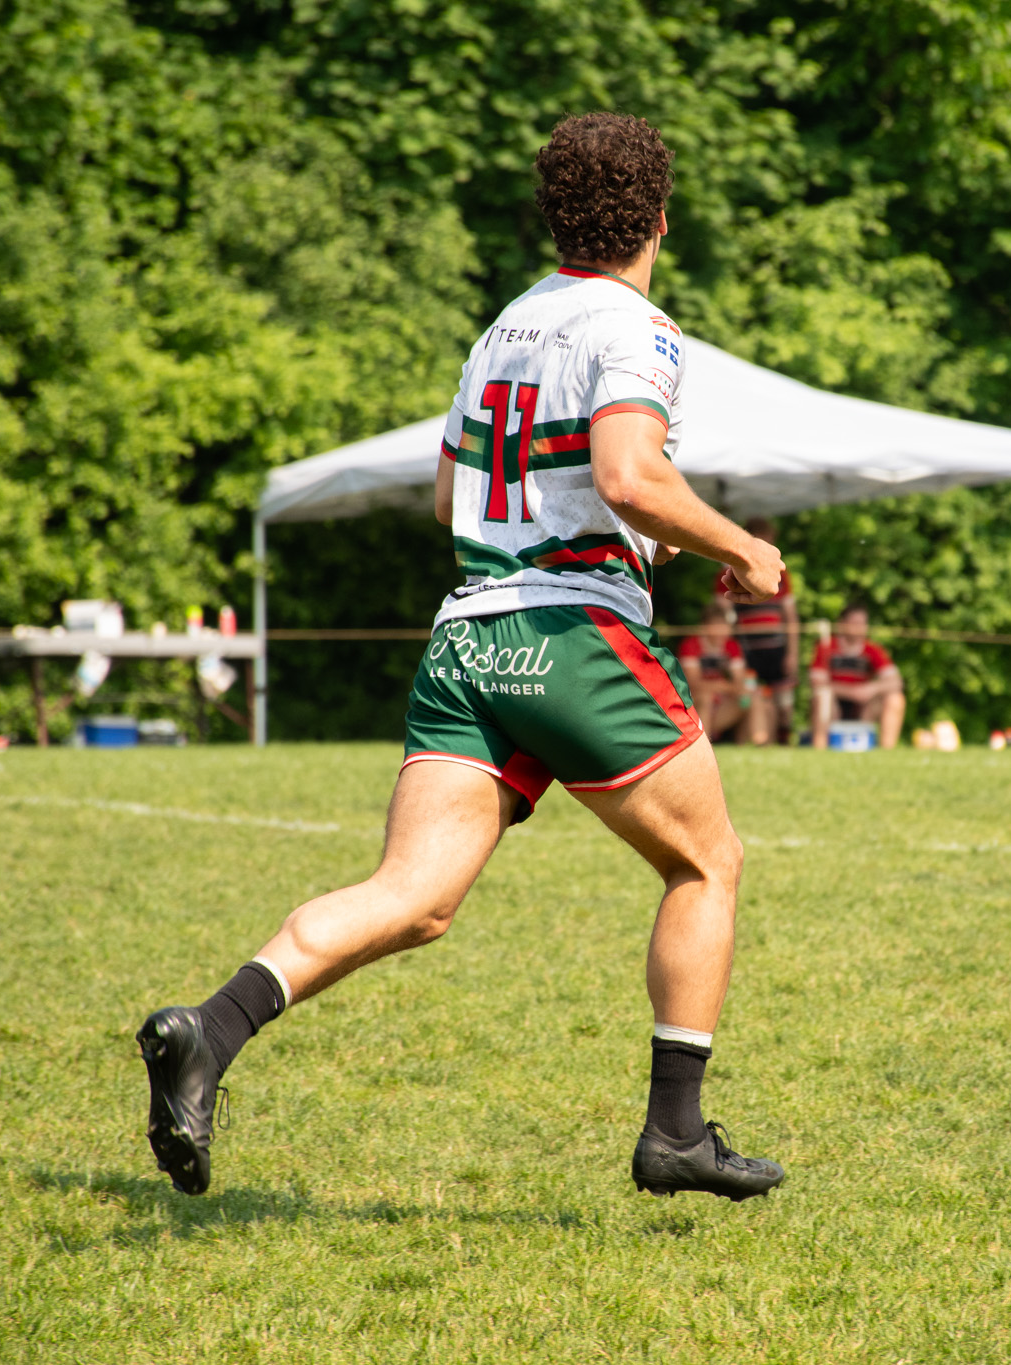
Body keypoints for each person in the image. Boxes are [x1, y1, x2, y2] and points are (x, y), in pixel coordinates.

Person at [134, 113, 787, 1202]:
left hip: (470, 636)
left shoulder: (505, 325)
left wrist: (641, 528)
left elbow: (454, 495)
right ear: (659, 223)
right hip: (570, 638)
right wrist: (738, 545)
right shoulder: (638, 327)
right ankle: (675, 1131)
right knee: (704, 863)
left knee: (415, 897)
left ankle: (211, 1026)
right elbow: (626, 475)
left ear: (554, 218)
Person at [714, 516, 797, 744]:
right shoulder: (728, 573)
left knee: (783, 701)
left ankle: (783, 739)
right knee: (749, 696)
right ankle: (746, 739)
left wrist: (792, 652)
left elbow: (790, 617)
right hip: (746, 651)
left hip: (776, 648)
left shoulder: (782, 576)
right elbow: (721, 615)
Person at [809, 603, 906, 750]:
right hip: (833, 707)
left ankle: (887, 750)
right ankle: (820, 749)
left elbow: (896, 682)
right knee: (823, 696)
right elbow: (817, 683)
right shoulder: (826, 648)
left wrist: (871, 688)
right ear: (842, 624)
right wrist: (852, 693)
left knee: (895, 698)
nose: (859, 627)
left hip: (864, 709)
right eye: (855, 623)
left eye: (863, 623)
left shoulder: (873, 650)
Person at [678, 601, 752, 740]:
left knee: (750, 699)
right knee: (706, 697)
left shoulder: (732, 646)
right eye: (717, 625)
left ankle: (755, 745)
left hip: (722, 705)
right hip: (694, 704)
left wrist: (730, 688)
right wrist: (724, 686)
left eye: (725, 626)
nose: (722, 631)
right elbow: (693, 684)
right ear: (705, 626)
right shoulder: (691, 644)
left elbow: (739, 683)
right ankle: (703, 743)